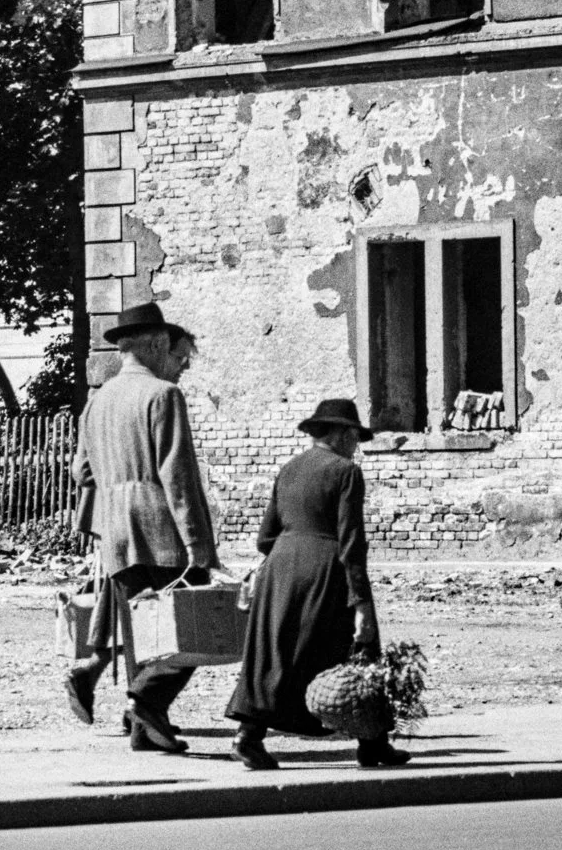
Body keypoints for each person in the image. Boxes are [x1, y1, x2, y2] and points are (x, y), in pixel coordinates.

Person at [64, 302, 219, 753]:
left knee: (140, 633)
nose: (178, 366)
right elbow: (178, 477)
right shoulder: (162, 396)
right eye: (176, 355)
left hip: (115, 530)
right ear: (154, 344)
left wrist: (118, 478)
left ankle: (145, 728)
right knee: (188, 628)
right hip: (160, 529)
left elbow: (81, 473)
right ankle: (144, 703)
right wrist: (198, 546)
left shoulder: (97, 402)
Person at [225, 398, 409, 771]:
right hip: (328, 568)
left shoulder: (289, 469)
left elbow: (265, 536)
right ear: (341, 434)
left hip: (280, 568)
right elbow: (352, 541)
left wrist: (290, 550)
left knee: (277, 651)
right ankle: (373, 743)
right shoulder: (346, 472)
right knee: (360, 649)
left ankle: (249, 735)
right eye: (355, 436)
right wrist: (361, 602)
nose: (356, 444)